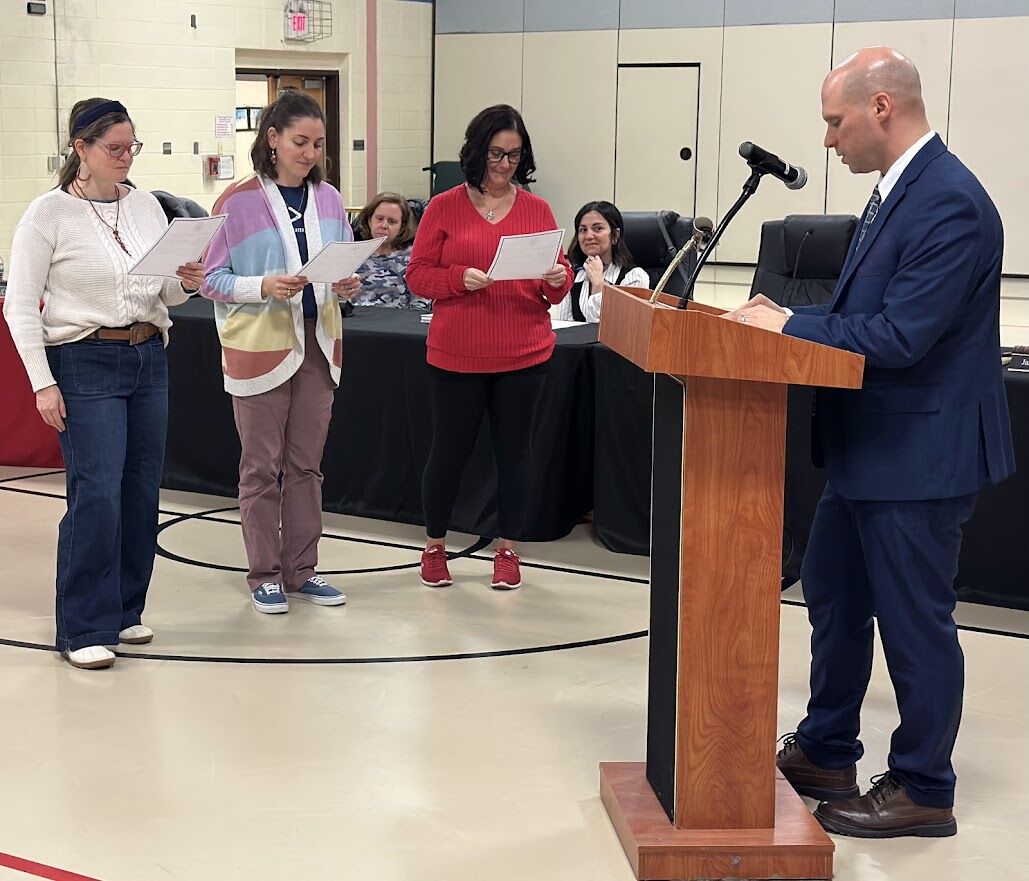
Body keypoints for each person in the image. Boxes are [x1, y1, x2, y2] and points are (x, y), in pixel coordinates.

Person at [726, 48, 1014, 838]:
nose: (826, 141)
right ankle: (825, 748)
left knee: (914, 621)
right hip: (867, 449)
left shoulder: (949, 201)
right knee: (835, 597)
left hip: (917, 456)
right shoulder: (897, 194)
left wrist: (786, 322)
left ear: (880, 107)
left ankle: (924, 784)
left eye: (834, 121)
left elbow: (901, 334)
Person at [2, 97, 204, 669]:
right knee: (95, 495)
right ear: (80, 150)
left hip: (148, 356)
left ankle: (123, 609)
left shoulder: (144, 207)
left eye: (131, 147)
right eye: (113, 148)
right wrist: (42, 384)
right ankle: (83, 626)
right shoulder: (47, 215)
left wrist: (185, 282)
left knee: (140, 492)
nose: (125, 157)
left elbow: (161, 292)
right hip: (82, 360)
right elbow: (19, 306)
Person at [202, 90, 361, 615]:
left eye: (318, 143)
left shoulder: (332, 200)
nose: (310, 152)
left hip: (318, 344)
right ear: (272, 139)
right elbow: (210, 280)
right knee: (261, 467)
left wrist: (346, 284)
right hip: (261, 347)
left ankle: (303, 569)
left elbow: (334, 266)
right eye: (300, 141)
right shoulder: (236, 202)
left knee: (307, 467)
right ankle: (264, 573)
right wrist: (261, 286)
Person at [406, 104, 573, 591]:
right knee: (449, 453)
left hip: (524, 352)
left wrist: (558, 281)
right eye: (496, 154)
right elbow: (417, 275)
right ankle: (435, 545)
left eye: (515, 156)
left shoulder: (537, 210)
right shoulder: (444, 206)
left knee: (515, 455)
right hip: (458, 353)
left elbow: (552, 285)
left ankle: (508, 550)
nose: (504, 165)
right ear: (476, 152)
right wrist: (458, 278)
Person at [558, 201, 649, 323]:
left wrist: (598, 284)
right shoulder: (573, 277)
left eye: (598, 228)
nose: (589, 236)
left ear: (615, 235)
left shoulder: (634, 277)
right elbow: (564, 330)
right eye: (583, 230)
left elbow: (616, 332)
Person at [351, 192, 429, 311]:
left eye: (392, 221)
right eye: (379, 219)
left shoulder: (414, 258)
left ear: (402, 227)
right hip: (353, 324)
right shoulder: (351, 255)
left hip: (396, 325)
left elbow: (421, 304)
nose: (384, 225)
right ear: (369, 220)